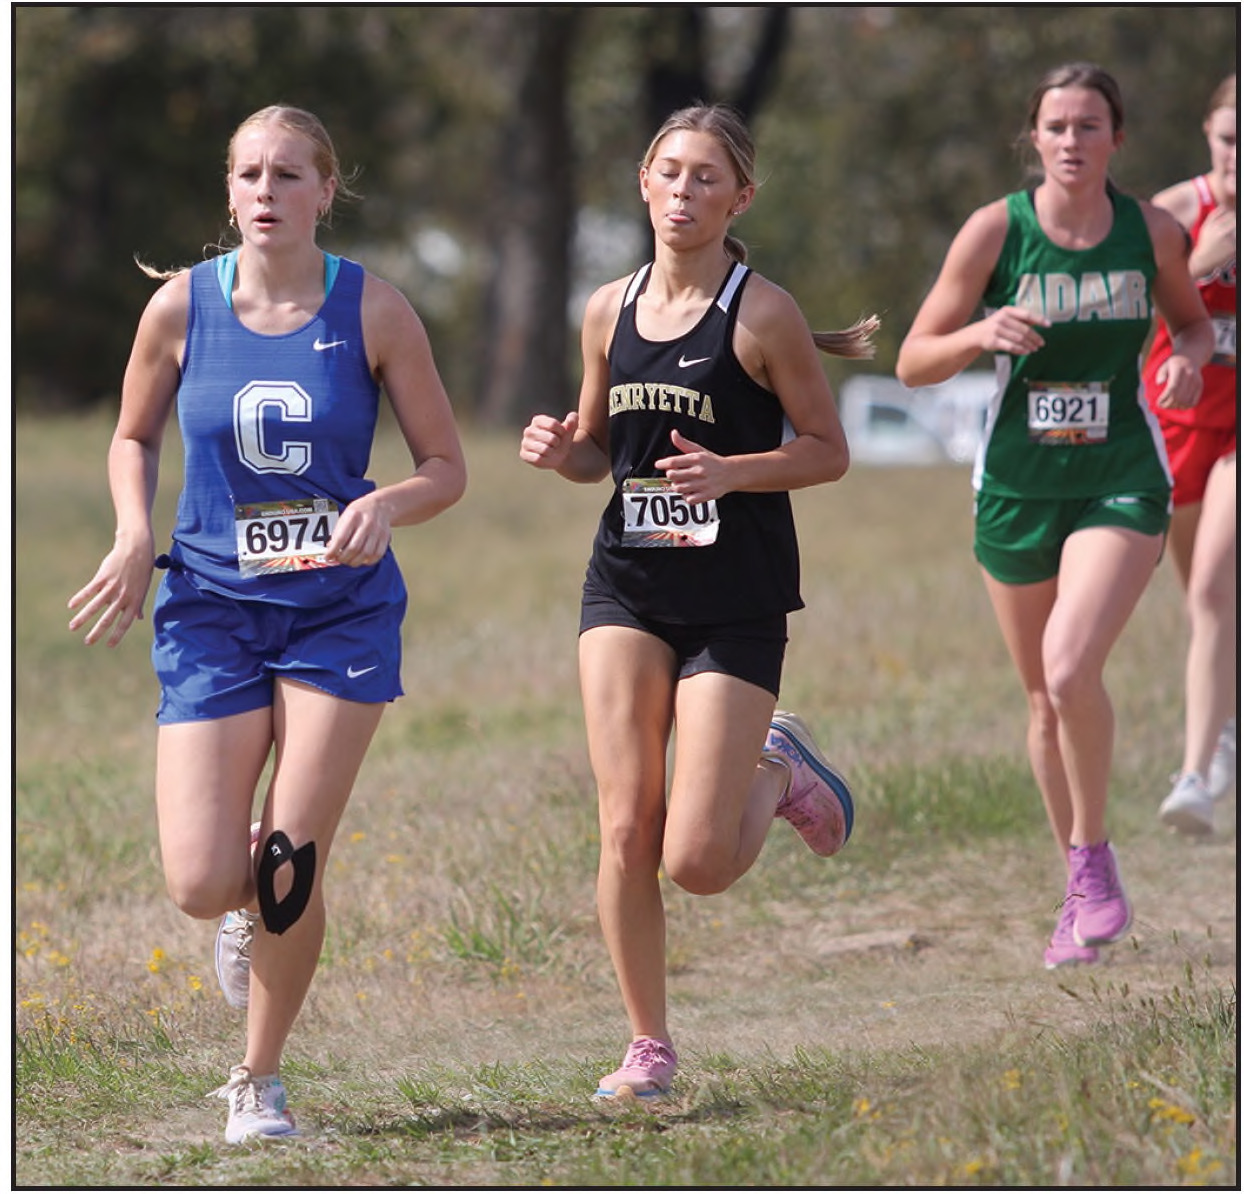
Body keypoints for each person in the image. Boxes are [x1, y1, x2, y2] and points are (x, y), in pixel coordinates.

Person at [67, 105, 467, 1142]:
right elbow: (130, 434)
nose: (265, 193)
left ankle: (259, 1078)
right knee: (203, 882)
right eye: (248, 174)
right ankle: (246, 905)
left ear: (327, 191)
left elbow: (445, 467)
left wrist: (385, 504)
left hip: (337, 613)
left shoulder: (374, 310)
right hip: (209, 608)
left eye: (289, 175)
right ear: (228, 188)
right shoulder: (179, 309)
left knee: (290, 860)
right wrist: (128, 532)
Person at [520, 103, 874, 1099]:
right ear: (643, 182)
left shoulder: (760, 314)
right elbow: (598, 452)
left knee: (697, 862)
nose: (683, 192)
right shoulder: (605, 308)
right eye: (668, 173)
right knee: (625, 827)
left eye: (705, 178)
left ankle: (778, 764)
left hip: (735, 601)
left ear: (739, 197)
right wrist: (562, 456)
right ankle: (647, 1045)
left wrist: (733, 472)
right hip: (624, 589)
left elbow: (826, 451)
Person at [896, 64, 1213, 970]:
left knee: (1072, 667)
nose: (1072, 141)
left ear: (1118, 138)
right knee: (1043, 700)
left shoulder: (1151, 231)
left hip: (1120, 474)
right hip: (1016, 484)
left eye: (1089, 125)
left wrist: (1189, 359)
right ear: (1032, 138)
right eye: (1056, 126)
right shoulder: (998, 230)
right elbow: (916, 359)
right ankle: (1080, 879)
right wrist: (978, 334)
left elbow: (1189, 325)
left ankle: (1096, 861)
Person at [1146, 76, 1238, 836]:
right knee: (1203, 604)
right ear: (1209, 133)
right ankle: (1228, 728)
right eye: (1231, 138)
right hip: (1175, 426)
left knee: (1212, 589)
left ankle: (1197, 777)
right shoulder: (1172, 214)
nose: (1240, 155)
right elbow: (1117, 308)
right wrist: (1198, 261)